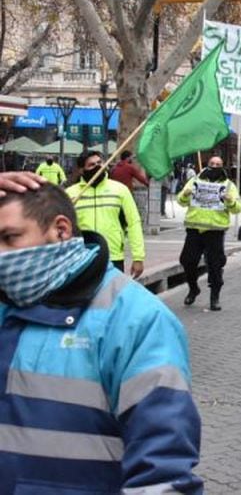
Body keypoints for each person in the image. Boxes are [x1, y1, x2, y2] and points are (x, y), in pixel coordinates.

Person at [0, 172, 202, 493]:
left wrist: (138, 253)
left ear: (61, 230)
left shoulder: (138, 320)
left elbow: (162, 467)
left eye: (10, 238)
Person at [176, 156, 241, 310]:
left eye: (218, 164)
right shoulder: (194, 181)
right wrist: (185, 194)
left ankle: (215, 297)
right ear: (207, 165)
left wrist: (230, 200)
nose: (214, 166)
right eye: (212, 164)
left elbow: (238, 208)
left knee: (215, 264)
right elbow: (180, 201)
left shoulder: (228, 185)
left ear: (223, 166)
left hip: (215, 231)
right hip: (194, 229)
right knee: (187, 260)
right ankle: (193, 288)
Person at [66, 150, 146, 278]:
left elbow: (133, 222)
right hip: (83, 257)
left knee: (113, 296)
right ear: (82, 170)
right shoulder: (71, 194)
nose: (97, 167)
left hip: (113, 256)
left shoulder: (120, 190)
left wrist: (138, 257)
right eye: (91, 165)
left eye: (99, 163)